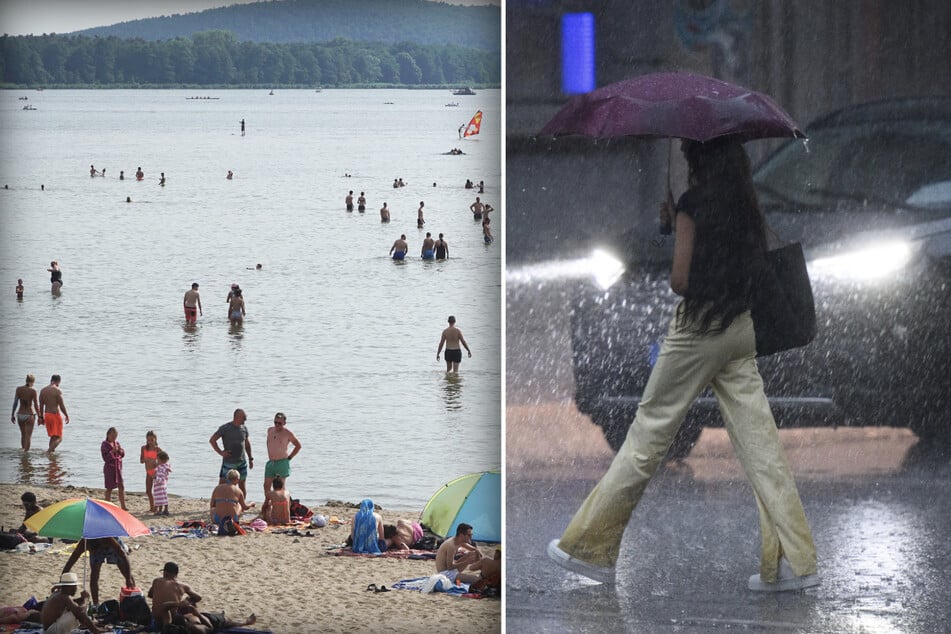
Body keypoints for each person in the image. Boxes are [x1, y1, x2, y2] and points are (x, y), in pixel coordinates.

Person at [547, 137, 820, 592]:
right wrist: (679, 226)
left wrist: (681, 225)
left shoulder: (694, 202)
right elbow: (736, 263)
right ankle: (795, 563)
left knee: (647, 436)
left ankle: (590, 548)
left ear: (696, 158)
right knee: (761, 448)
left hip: (697, 332)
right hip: (739, 331)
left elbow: (680, 281)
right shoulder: (745, 204)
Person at [62, 537, 135, 606]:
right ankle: (96, 604)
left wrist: (128, 578)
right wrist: (62, 579)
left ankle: (134, 594)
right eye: (91, 551)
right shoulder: (85, 542)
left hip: (111, 547)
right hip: (96, 546)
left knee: (125, 571)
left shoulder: (108, 539)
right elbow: (72, 559)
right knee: (94, 575)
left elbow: (123, 555)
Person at [40, 573, 106, 634]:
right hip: (53, 630)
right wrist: (86, 599)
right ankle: (95, 630)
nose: (76, 589)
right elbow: (80, 611)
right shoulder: (64, 597)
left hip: (48, 629)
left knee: (78, 608)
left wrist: (82, 599)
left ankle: (92, 627)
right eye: (75, 587)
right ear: (69, 587)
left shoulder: (59, 594)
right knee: (79, 612)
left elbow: (72, 603)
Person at [209, 409, 253, 496]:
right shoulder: (225, 428)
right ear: (237, 417)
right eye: (244, 418)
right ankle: (216, 503)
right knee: (222, 485)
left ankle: (241, 505)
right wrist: (221, 452)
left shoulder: (244, 429)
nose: (245, 420)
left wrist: (250, 458)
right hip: (229, 462)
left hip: (242, 462)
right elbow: (212, 440)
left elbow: (247, 444)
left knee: (242, 485)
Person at [148, 561, 202, 628]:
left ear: (165, 572)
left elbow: (150, 595)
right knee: (191, 609)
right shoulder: (183, 586)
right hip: (171, 618)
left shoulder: (156, 581)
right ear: (176, 574)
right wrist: (188, 600)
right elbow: (198, 597)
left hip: (156, 617)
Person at [263, 412, 302, 498]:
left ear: (284, 423)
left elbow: (298, 446)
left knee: (280, 488)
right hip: (271, 462)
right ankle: (269, 506)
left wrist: (290, 457)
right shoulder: (270, 430)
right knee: (266, 486)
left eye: (279, 423)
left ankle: (282, 506)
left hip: (282, 462)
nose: (277, 425)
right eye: (275, 422)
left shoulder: (287, 433)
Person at [160, 602, 255, 634]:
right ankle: (245, 623)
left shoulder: (168, 628)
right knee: (227, 620)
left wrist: (178, 604)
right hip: (213, 621)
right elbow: (210, 627)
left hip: (200, 617)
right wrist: (197, 614)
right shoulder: (194, 629)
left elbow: (164, 607)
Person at [209, 469, 254, 534]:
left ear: (227, 478)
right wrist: (251, 503)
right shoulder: (238, 490)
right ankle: (234, 517)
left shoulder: (217, 488)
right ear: (237, 479)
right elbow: (245, 507)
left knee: (212, 509)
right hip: (233, 520)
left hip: (218, 519)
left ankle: (217, 520)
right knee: (239, 505)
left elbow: (212, 505)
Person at [38, 374, 69, 453]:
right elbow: (61, 405)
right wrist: (66, 415)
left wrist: (41, 417)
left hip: (47, 415)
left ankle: (51, 455)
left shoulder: (43, 390)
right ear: (58, 381)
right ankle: (48, 452)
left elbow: (41, 406)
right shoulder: (57, 391)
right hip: (55, 415)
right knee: (59, 437)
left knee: (53, 437)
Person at [11, 373, 40, 451]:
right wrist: (40, 416)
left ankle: (23, 451)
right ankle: (26, 454)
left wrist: (12, 414)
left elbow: (15, 403)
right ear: (32, 382)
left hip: (20, 414)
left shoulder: (19, 389)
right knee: (28, 436)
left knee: (23, 435)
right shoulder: (33, 390)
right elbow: (36, 405)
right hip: (29, 414)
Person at [101, 426, 127, 510]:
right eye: (112, 436)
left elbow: (122, 454)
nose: (114, 438)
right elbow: (105, 458)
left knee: (121, 486)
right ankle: (107, 505)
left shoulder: (117, 443)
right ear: (108, 435)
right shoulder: (104, 444)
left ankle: (123, 506)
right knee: (109, 488)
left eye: (115, 436)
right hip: (109, 469)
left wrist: (119, 450)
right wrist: (112, 452)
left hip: (118, 468)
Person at [141, 430, 162, 513]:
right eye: (148, 440)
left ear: (155, 439)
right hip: (148, 472)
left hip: (156, 472)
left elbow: (164, 461)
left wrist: (156, 463)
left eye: (152, 440)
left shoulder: (158, 449)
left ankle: (157, 507)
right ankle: (152, 507)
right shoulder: (144, 448)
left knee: (157, 491)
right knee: (148, 491)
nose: (150, 442)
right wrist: (145, 459)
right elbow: (141, 461)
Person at [153, 451, 171, 515]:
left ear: (162, 460)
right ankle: (166, 510)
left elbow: (162, 476)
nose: (157, 461)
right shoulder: (165, 467)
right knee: (164, 496)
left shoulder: (161, 468)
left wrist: (155, 477)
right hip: (163, 484)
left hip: (159, 485)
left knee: (159, 498)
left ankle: (160, 510)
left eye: (158, 460)